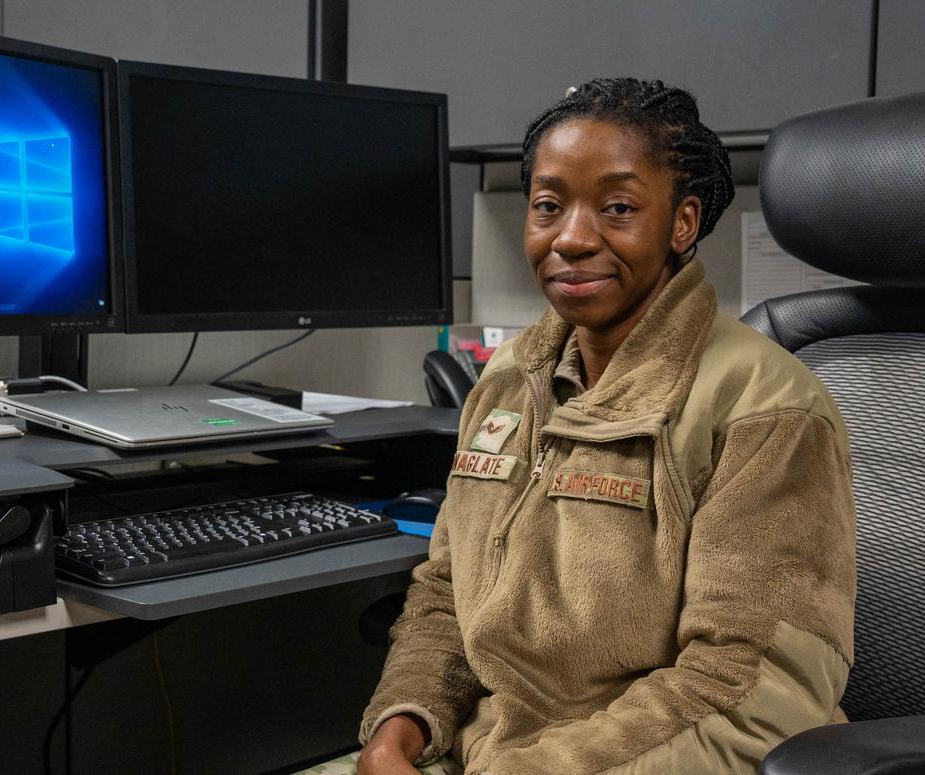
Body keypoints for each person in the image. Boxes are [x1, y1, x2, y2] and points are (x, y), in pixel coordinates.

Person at [303, 77, 856, 775]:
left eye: (618, 207)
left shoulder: (764, 406)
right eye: (547, 205)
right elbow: (446, 592)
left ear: (681, 223)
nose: (571, 237)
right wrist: (398, 729)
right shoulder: (509, 379)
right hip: (480, 750)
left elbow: (755, 694)